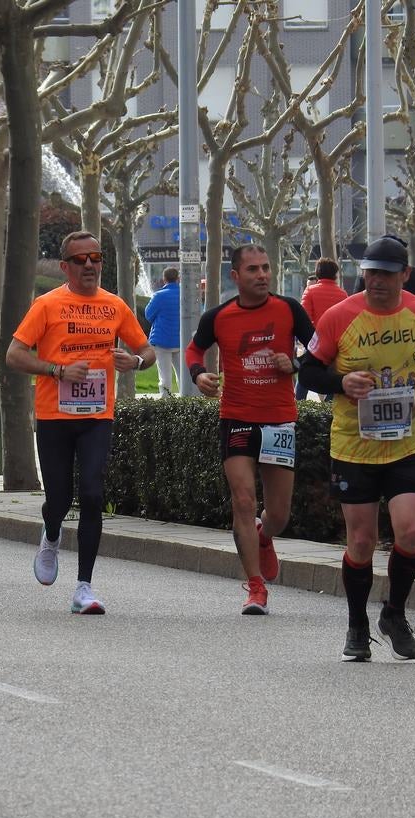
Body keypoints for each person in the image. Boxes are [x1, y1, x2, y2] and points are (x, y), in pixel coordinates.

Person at [298, 235, 415, 662]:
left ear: (404, 274)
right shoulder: (338, 316)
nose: (377, 280)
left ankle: (395, 613)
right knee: (361, 542)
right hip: (354, 445)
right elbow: (308, 371)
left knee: (411, 532)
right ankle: (357, 624)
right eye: (371, 272)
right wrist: (341, 383)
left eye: (386, 272)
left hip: (410, 439)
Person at [6, 231, 154, 614]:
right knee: (59, 497)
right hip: (54, 415)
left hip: (96, 416)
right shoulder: (47, 305)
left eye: (96, 257)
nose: (90, 265)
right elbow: (15, 355)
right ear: (65, 267)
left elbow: (147, 351)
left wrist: (136, 362)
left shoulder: (115, 306)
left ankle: (84, 588)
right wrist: (57, 369)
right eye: (81, 259)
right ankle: (51, 535)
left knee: (91, 492)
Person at [185, 244, 315, 615]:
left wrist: (293, 362)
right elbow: (194, 351)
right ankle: (255, 587)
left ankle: (265, 536)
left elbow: (320, 348)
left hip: (278, 419)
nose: (262, 275)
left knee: (278, 513)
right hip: (237, 417)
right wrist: (199, 375)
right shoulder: (219, 316)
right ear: (235, 276)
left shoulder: (288, 309)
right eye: (254, 269)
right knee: (242, 501)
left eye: (266, 268)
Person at [297, 258, 347, 401]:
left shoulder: (310, 291)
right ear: (335, 274)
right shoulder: (342, 294)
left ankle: (299, 404)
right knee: (334, 373)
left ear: (318, 273)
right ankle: (328, 404)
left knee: (306, 372)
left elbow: (304, 318)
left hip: (315, 341)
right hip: (337, 342)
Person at [144, 267, 181, 398]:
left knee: (164, 377)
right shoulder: (186, 295)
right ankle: (186, 400)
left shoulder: (158, 296)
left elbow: (148, 315)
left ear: (164, 279)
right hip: (181, 341)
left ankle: (166, 402)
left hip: (161, 342)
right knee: (182, 375)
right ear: (178, 278)